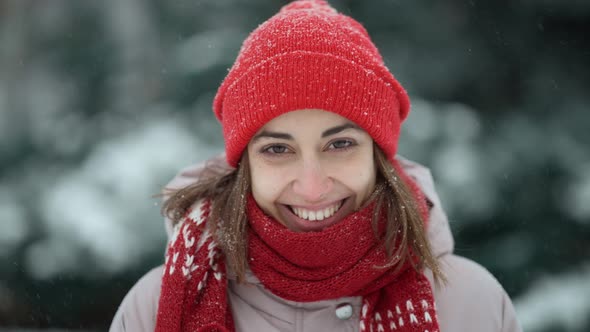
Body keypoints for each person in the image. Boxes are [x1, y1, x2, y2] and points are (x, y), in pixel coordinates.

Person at [109, 1, 521, 331]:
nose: (311, 187)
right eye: (276, 150)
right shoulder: (156, 310)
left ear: (379, 156)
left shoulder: (473, 304)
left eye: (339, 144)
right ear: (244, 165)